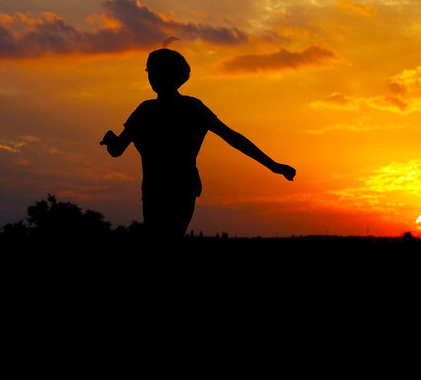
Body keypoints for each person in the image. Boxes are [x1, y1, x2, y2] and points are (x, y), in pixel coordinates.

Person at [101, 48, 296, 243]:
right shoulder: (193, 108)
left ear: (165, 74)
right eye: (148, 70)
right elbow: (233, 138)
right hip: (180, 188)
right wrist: (274, 166)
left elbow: (117, 150)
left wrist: (110, 139)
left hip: (158, 190)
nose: (150, 75)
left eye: (151, 70)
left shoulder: (146, 110)